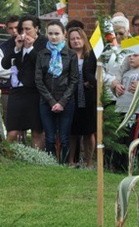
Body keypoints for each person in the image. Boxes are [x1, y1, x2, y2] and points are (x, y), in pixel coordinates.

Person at [35, 21, 79, 164]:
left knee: (65, 137)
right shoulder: (42, 54)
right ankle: (51, 164)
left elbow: (74, 80)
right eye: (50, 34)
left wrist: (62, 102)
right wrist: (52, 101)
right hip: (46, 101)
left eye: (57, 34)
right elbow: (39, 80)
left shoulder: (71, 54)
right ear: (46, 34)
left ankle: (64, 165)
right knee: (49, 137)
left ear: (63, 34)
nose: (53, 37)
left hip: (66, 101)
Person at [2, 15, 47, 148]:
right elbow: (5, 64)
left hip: (34, 91)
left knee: (36, 131)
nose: (24, 32)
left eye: (28, 29)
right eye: (23, 29)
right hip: (16, 91)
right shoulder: (15, 42)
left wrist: (30, 48)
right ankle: (9, 158)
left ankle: (37, 160)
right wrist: (17, 48)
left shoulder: (43, 43)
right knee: (13, 131)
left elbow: (42, 64)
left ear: (36, 28)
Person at [67, 27, 97, 168]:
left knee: (88, 131)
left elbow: (97, 74)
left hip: (88, 97)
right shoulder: (66, 55)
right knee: (72, 131)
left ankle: (89, 162)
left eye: (78, 38)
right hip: (71, 97)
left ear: (84, 39)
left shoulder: (91, 55)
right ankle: (71, 160)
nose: (76, 41)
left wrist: (90, 82)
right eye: (72, 38)